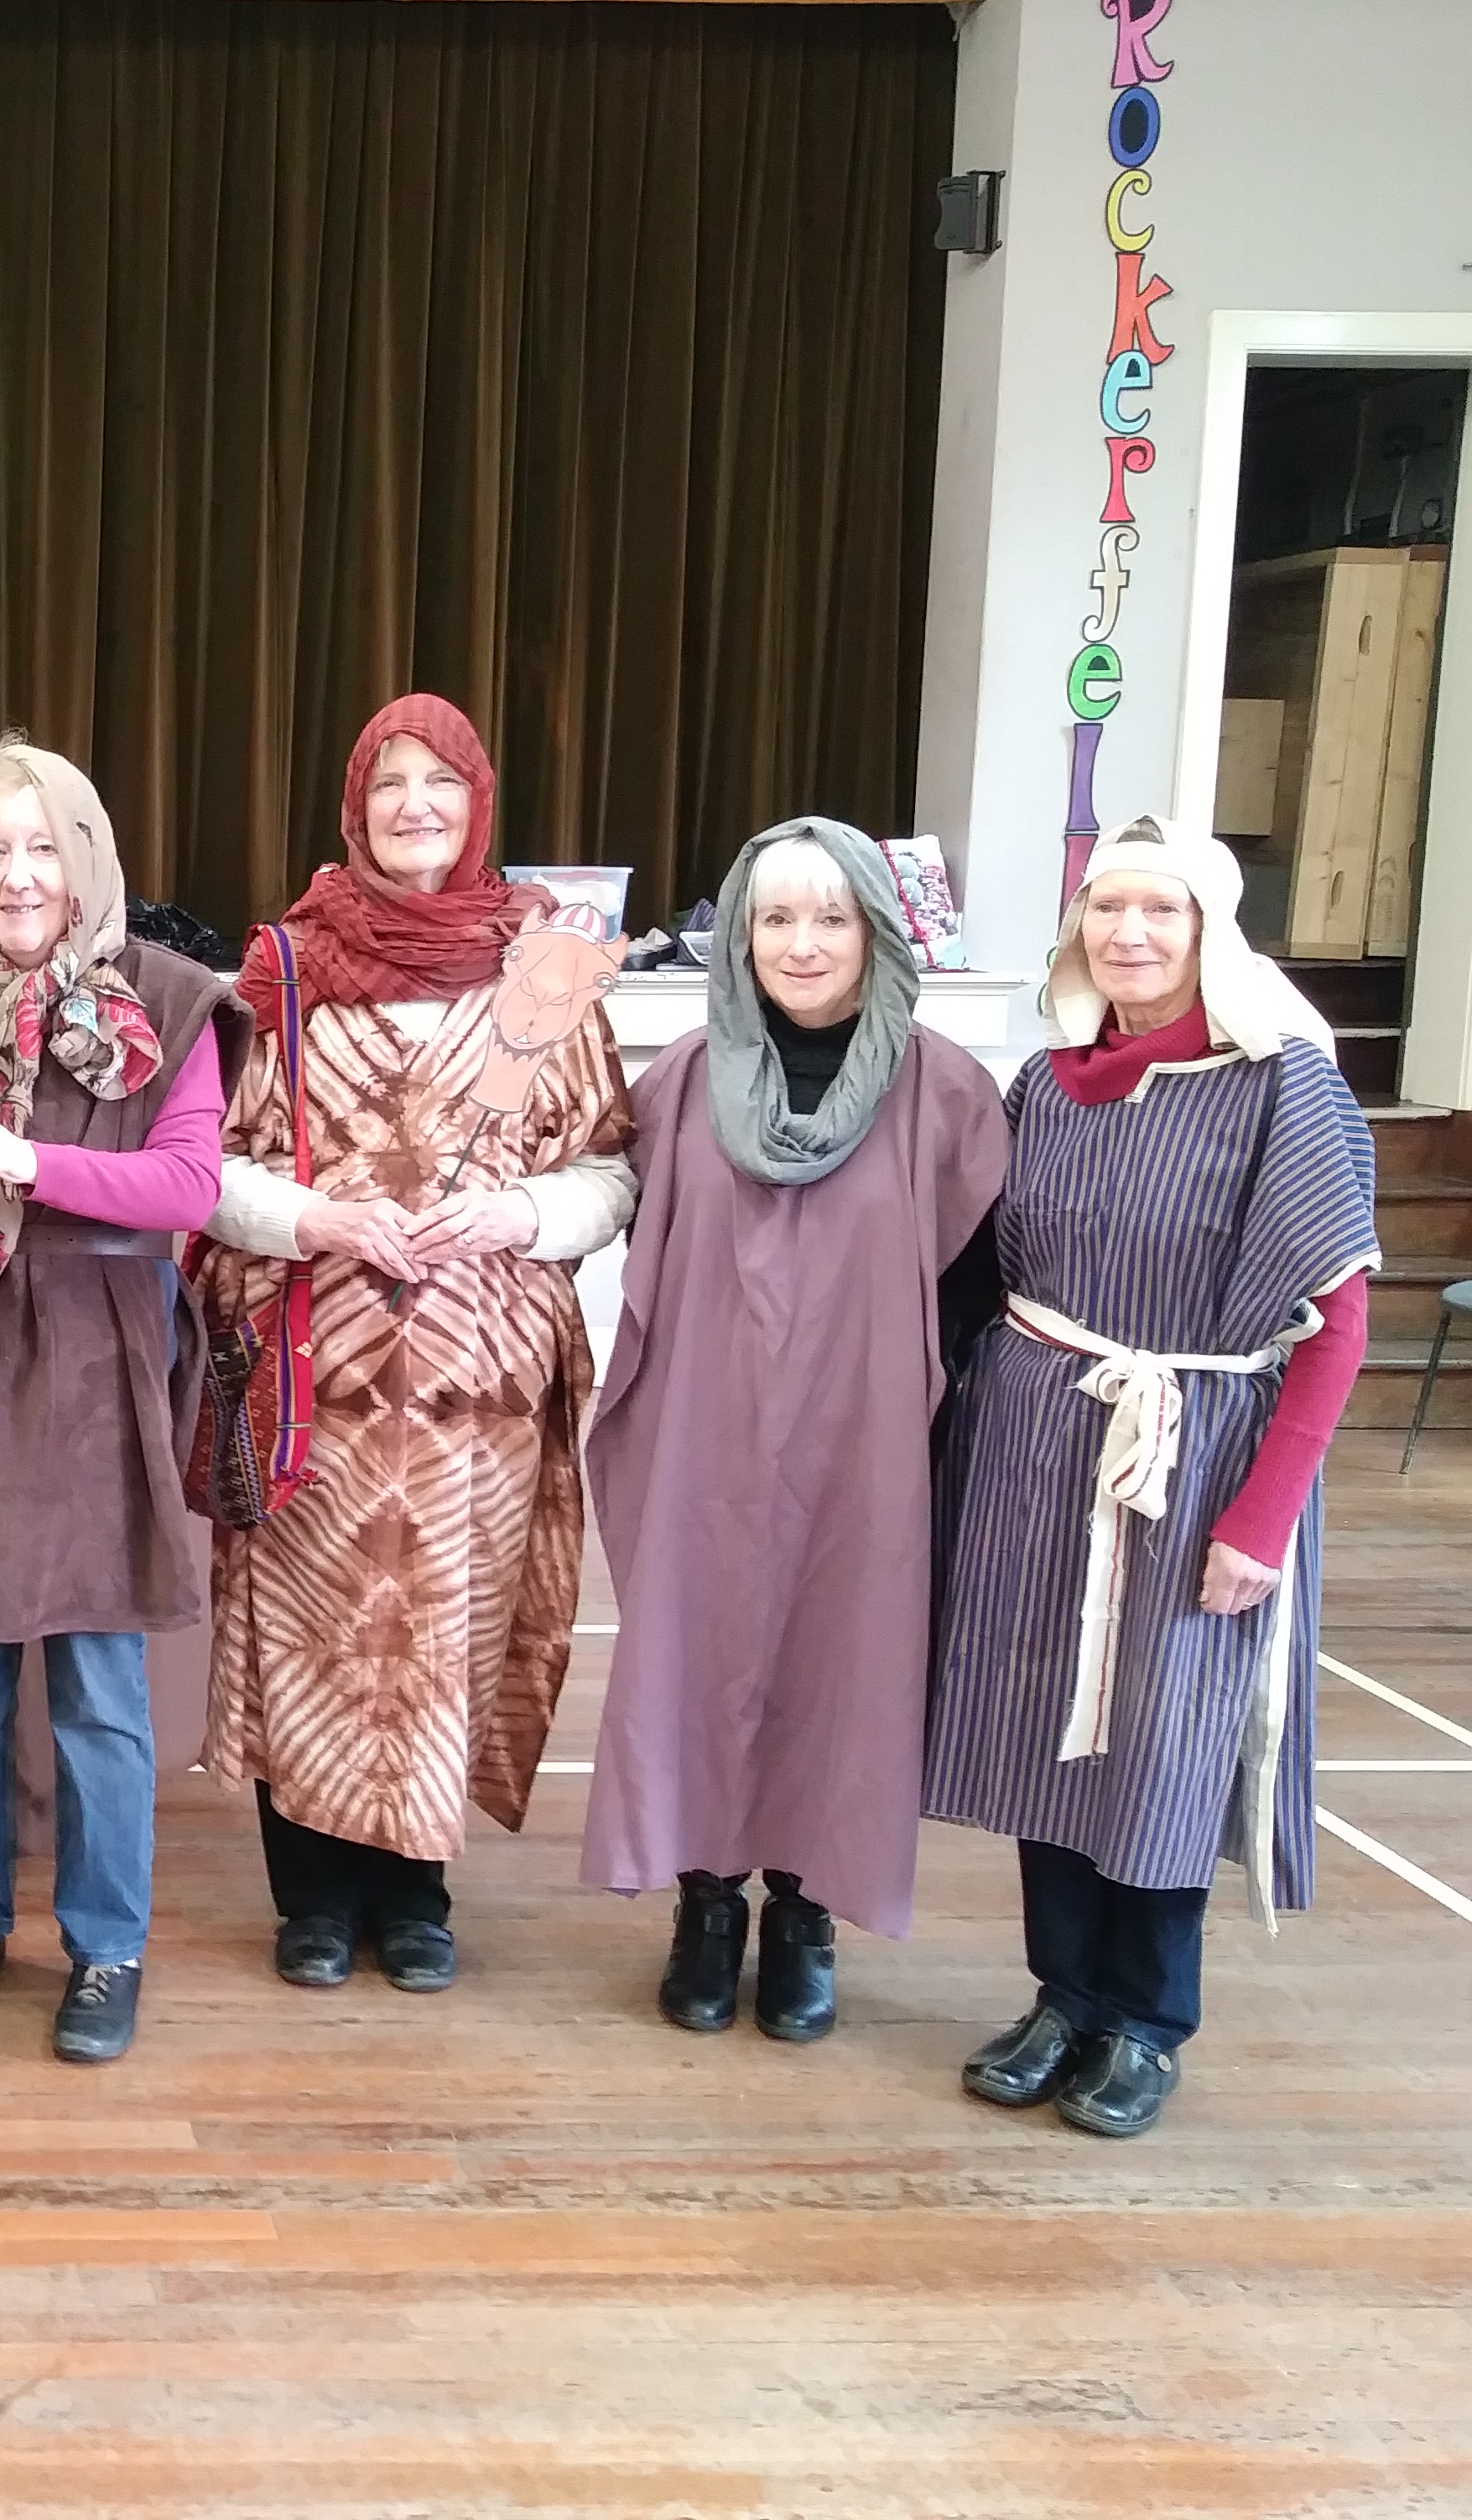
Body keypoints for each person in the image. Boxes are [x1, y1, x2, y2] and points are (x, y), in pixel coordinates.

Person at [925, 817, 1375, 2139]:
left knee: (1161, 1737)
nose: (1128, 933)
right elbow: (978, 1277)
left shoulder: (1283, 1085)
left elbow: (1336, 1325)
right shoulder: (1047, 1086)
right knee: (1040, 1726)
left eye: (1159, 911)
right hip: (1036, 1449)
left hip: (1196, 1450)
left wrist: (1265, 1518)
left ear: (1208, 934)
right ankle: (1063, 1996)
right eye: (1106, 908)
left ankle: (1145, 2019)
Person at [193, 694, 636, 1993]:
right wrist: (317, 1217)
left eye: (438, 782)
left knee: (443, 1629)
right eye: (388, 782)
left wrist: (520, 1213)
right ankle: (313, 1899)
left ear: (477, 802)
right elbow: (207, 1168)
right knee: (311, 1624)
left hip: (477, 1385)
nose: (414, 806)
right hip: (315, 1371)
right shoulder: (282, 969)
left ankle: (417, 1894)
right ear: (355, 805)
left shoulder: (545, 970)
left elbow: (611, 1169)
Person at [578, 818, 1008, 2041]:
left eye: (832, 918)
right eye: (775, 919)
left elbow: (977, 1287)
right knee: (699, 1651)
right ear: (740, 937)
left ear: (876, 933)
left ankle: (807, 1910)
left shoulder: (947, 1093)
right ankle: (708, 1902)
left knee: (843, 1662)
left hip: (866, 1444)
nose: (803, 944)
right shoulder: (680, 1084)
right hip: (705, 1435)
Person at [0, 740, 247, 2064]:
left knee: (98, 1692)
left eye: (42, 846)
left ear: (88, 858)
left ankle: (106, 1946)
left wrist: (25, 1163)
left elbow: (187, 1187)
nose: (18, 877)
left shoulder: (169, 997)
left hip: (99, 1361)